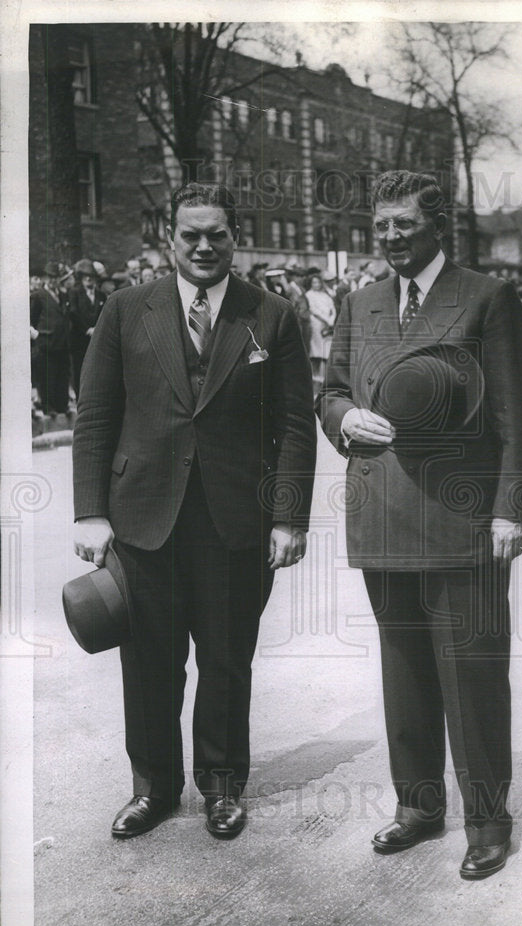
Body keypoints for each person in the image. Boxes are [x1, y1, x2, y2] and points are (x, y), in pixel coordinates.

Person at [72, 182, 317, 841]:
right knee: (149, 662)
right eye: (191, 235)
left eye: (216, 234)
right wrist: (90, 511)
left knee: (227, 658)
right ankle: (152, 789)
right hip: (145, 517)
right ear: (169, 239)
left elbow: (296, 426)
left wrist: (288, 518)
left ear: (233, 239)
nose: (204, 246)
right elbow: (95, 417)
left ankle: (221, 786)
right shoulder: (126, 310)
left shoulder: (270, 315)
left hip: (235, 520)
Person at [317, 170, 522, 880]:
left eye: (404, 226)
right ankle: (418, 808)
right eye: (381, 225)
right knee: (405, 670)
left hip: (463, 519)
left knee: (472, 675)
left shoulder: (487, 297)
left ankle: (487, 821)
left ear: (436, 226)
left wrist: (512, 506)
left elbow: (519, 413)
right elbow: (328, 392)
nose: (389, 237)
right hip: (382, 514)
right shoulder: (360, 302)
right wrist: (342, 418)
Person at [30, 261, 71, 417]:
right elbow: (30, 319)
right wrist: (36, 334)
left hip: (62, 343)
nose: (54, 280)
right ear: (45, 278)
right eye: (51, 277)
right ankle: (49, 407)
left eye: (56, 277)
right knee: (47, 375)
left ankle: (62, 406)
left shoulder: (63, 295)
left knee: (61, 375)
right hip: (46, 342)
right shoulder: (38, 296)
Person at [67, 258, 107, 399]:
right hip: (79, 339)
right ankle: (80, 400)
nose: (89, 279)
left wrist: (97, 328)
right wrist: (87, 329)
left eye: (91, 276)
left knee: (95, 369)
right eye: (86, 276)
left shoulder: (101, 295)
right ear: (81, 278)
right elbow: (73, 313)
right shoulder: (74, 293)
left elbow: (105, 315)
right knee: (79, 370)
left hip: (96, 339)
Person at [305, 273, 336, 394]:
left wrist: (331, 319)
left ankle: (326, 379)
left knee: (327, 352)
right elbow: (313, 310)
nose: (316, 285)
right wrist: (325, 319)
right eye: (314, 282)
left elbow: (332, 307)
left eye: (318, 282)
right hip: (317, 324)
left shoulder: (325, 295)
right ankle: (315, 379)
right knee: (316, 353)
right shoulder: (309, 295)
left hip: (328, 325)